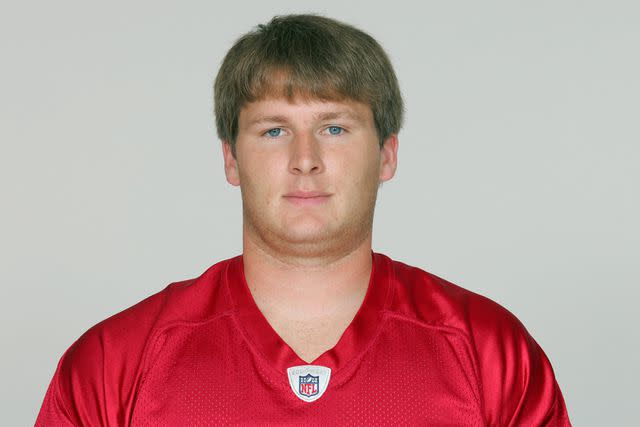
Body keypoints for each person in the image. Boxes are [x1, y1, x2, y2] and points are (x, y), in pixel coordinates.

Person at [36, 14, 571, 426]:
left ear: (387, 154)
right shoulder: (115, 362)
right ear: (230, 158)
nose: (305, 158)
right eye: (274, 130)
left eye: (335, 128)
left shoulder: (489, 352)